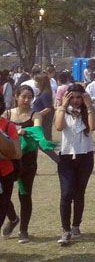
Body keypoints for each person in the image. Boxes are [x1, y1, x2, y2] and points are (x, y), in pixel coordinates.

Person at [2, 85, 57, 243]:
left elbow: (37, 131)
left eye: (30, 97)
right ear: (16, 97)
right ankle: (13, 219)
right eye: (23, 96)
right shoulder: (6, 114)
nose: (26, 100)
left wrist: (25, 132)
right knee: (3, 196)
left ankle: (23, 230)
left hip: (27, 162)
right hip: (9, 161)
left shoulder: (35, 114)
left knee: (24, 195)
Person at [53, 84, 95, 246]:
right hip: (66, 157)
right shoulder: (62, 110)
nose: (76, 101)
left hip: (85, 156)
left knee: (79, 193)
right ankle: (65, 230)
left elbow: (93, 127)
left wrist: (89, 105)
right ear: (67, 97)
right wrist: (63, 106)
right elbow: (58, 127)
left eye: (79, 97)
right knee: (66, 194)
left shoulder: (88, 110)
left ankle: (76, 226)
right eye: (73, 97)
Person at [0, 97, 20, 243]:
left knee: (2, 205)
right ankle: (13, 218)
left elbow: (17, 153)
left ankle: (13, 219)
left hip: (4, 174)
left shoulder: (7, 126)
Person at [32, 73, 54, 141]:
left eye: (36, 81)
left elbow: (48, 108)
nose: (34, 83)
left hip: (44, 121)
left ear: (41, 82)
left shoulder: (45, 94)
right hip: (41, 120)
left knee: (45, 140)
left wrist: (37, 115)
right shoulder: (41, 92)